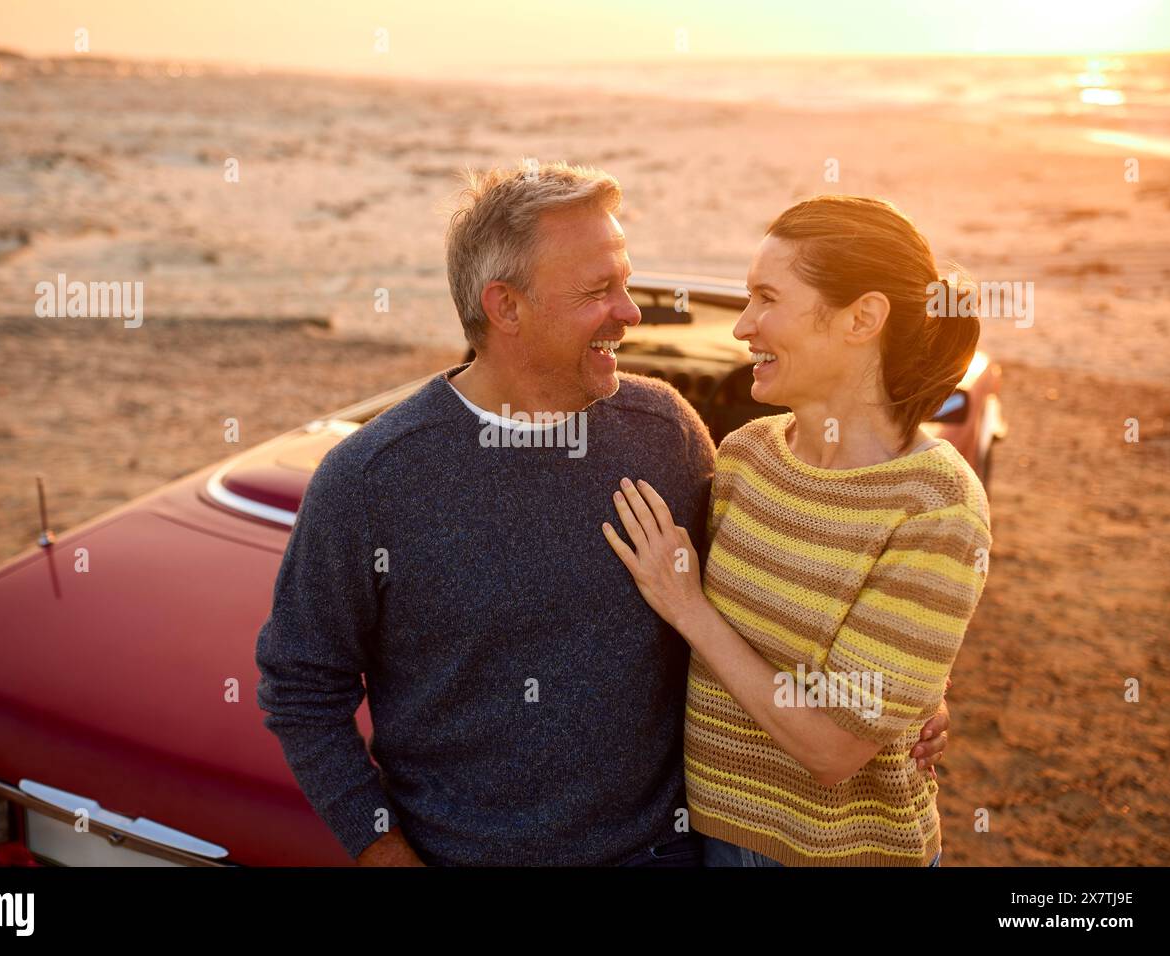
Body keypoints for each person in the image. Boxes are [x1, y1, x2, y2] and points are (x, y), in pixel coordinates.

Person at [255, 167, 951, 866]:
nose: (631, 312)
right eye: (599, 291)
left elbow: (760, 601)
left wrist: (905, 695)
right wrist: (384, 852)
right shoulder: (372, 479)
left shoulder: (664, 432)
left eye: (626, 281)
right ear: (506, 307)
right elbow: (301, 688)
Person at [604, 195, 987, 867]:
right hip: (712, 837)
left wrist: (688, 606)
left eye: (766, 299)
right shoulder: (748, 454)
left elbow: (833, 750)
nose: (742, 327)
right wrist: (911, 692)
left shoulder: (936, 505)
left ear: (862, 318)